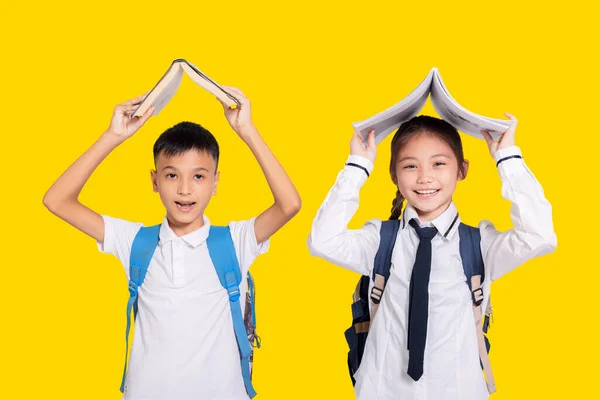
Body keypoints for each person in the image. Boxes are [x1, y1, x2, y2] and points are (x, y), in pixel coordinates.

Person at [43, 87, 301, 400]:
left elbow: (289, 204)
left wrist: (246, 129)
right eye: (171, 175)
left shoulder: (235, 241)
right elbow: (57, 200)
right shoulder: (135, 241)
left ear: (215, 182)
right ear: (154, 181)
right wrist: (113, 135)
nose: (184, 189)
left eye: (198, 177)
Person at [307, 114, 556, 399]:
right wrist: (357, 167)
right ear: (394, 174)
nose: (425, 177)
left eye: (439, 163)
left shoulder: (478, 244)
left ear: (462, 170)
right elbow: (322, 241)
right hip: (383, 390)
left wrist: (508, 159)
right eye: (410, 166)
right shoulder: (380, 240)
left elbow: (540, 236)